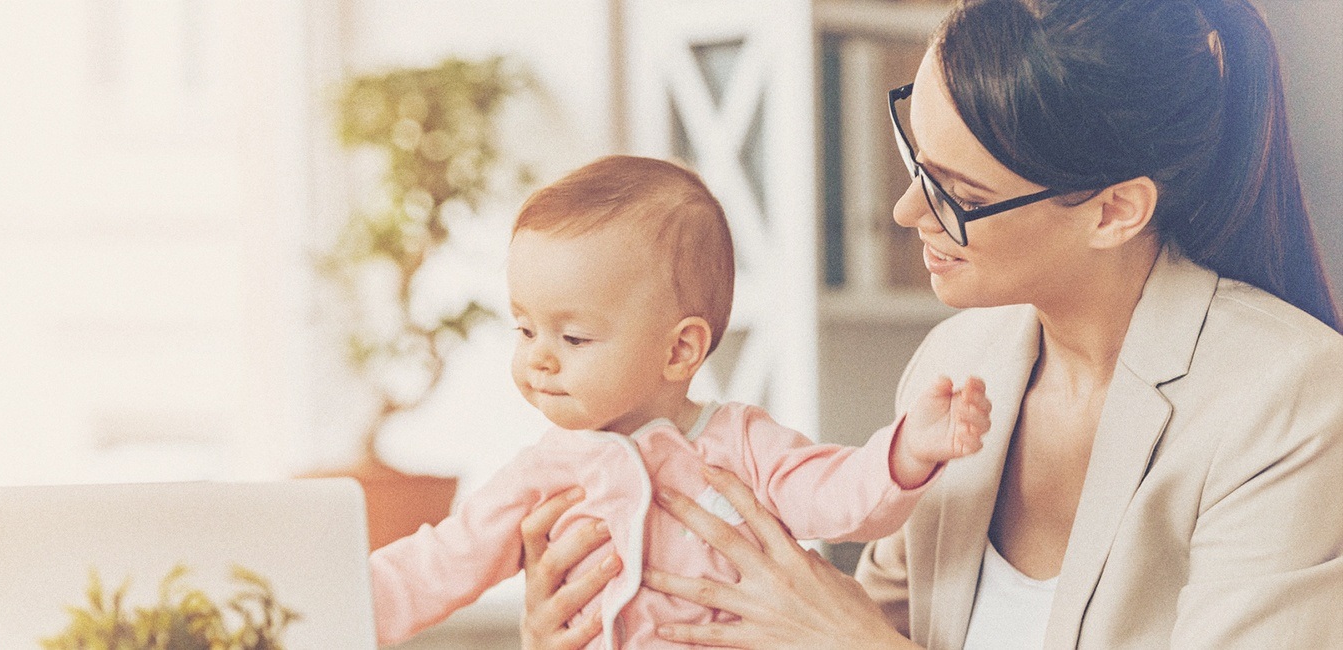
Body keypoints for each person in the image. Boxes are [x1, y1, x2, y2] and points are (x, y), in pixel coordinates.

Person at [517, 1, 1343, 649]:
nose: (908, 209)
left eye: (962, 195)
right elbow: (851, 619)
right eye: (916, 158)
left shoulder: (1285, 396)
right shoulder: (965, 360)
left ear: (1114, 211)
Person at [369, 155, 993, 648]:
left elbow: (843, 497)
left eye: (574, 336)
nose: (539, 357)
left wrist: (908, 448)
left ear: (680, 351)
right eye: (525, 329)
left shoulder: (743, 445)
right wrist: (315, 607)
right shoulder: (546, 475)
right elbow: (438, 563)